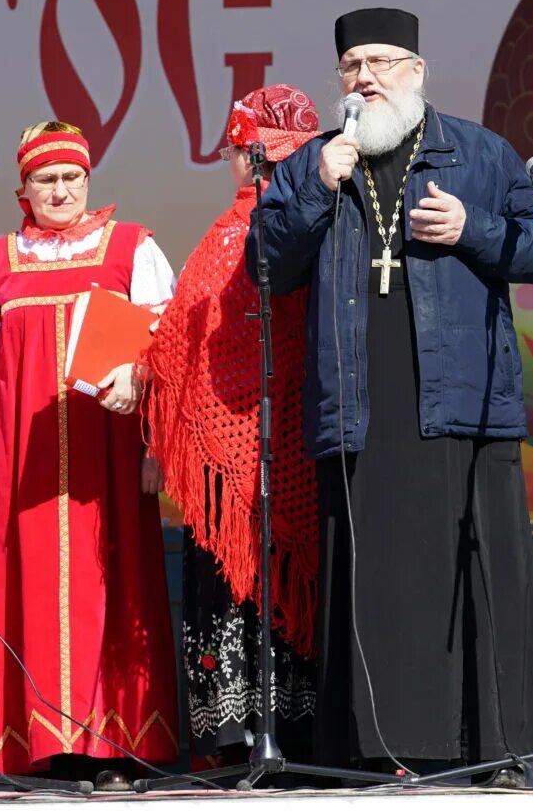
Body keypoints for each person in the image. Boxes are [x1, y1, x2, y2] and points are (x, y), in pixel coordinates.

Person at [249, 8, 533, 778]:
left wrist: (473, 229)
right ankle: (375, 753)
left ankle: (495, 749)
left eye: (384, 62)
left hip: (459, 403)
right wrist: (310, 192)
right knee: (372, 583)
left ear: (417, 72)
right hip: (359, 408)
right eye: (353, 64)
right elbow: (264, 264)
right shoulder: (317, 163)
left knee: (476, 575)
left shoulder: (479, 154)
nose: (367, 77)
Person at [0, 122, 178, 783]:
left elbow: (165, 352)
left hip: (110, 455)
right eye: (46, 180)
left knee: (114, 587)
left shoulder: (130, 248)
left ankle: (113, 748)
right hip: (22, 460)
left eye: (71, 178)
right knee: (26, 593)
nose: (60, 191)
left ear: (88, 180)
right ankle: (41, 749)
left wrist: (154, 450)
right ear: (22, 188)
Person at [145, 86, 322, 763]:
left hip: (239, 462)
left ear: (245, 155)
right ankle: (300, 736)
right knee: (292, 587)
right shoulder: (325, 226)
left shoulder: (230, 236)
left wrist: (144, 369)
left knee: (232, 588)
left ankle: (236, 740)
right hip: (298, 444)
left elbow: (176, 350)